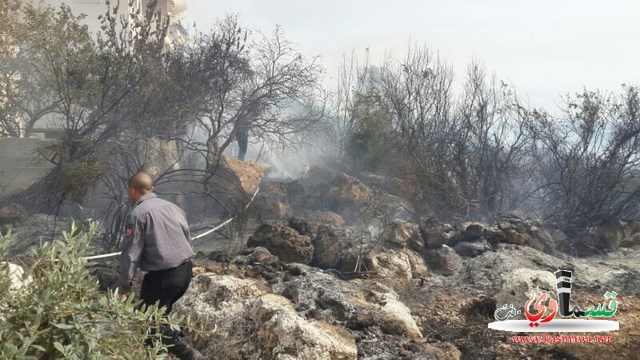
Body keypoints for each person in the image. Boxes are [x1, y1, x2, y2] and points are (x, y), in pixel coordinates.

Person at [119, 172, 204, 360]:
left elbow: (131, 255)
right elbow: (187, 239)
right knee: (158, 321)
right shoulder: (173, 208)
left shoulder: (138, 214)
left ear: (132, 191)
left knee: (150, 322)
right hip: (185, 272)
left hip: (164, 277)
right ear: (152, 189)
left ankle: (190, 355)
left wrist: (125, 287)